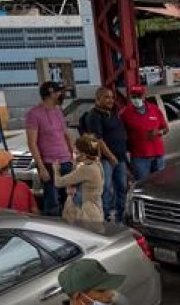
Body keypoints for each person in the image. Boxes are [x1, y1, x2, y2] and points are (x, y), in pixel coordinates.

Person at [25, 81, 74, 216]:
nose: (61, 94)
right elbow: (32, 142)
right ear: (51, 94)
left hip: (66, 161)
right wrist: (41, 167)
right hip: (49, 163)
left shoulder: (58, 111)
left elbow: (66, 134)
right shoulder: (34, 114)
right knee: (52, 202)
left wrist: (72, 156)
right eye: (59, 92)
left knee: (69, 200)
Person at [82, 87, 129, 223]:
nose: (111, 100)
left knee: (122, 187)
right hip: (106, 160)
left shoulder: (112, 113)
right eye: (107, 97)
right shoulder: (94, 115)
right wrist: (111, 156)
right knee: (106, 189)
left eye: (112, 98)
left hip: (120, 158)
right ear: (98, 99)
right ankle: (105, 218)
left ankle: (121, 217)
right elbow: (98, 139)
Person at [53, 134, 105, 224]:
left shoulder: (86, 169)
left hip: (86, 214)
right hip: (95, 210)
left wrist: (56, 170)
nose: (74, 155)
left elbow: (59, 182)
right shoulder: (97, 165)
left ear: (83, 154)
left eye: (76, 152)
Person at [120, 85, 169, 181]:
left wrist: (159, 132)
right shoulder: (125, 113)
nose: (136, 98)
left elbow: (166, 128)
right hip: (140, 157)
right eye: (133, 96)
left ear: (144, 96)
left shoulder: (154, 109)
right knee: (143, 184)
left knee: (160, 183)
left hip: (158, 154)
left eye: (139, 96)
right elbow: (121, 134)